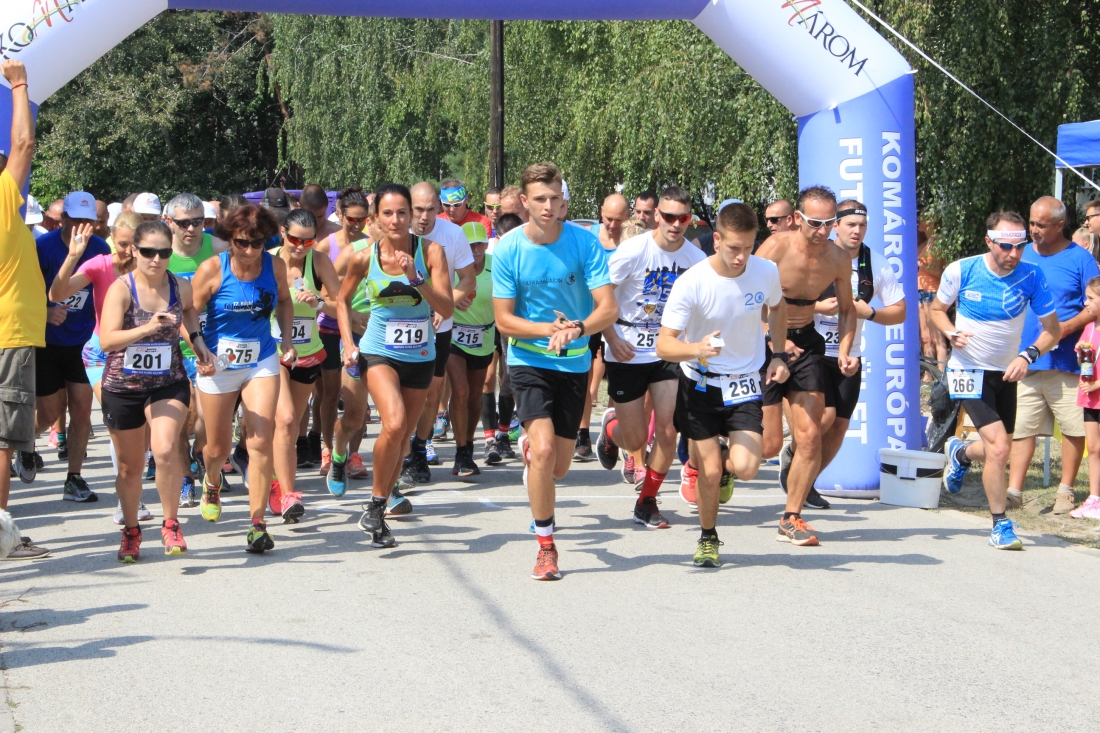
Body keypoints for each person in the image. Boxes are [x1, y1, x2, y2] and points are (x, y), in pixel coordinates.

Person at [492, 161, 617, 580]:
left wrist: (577, 329)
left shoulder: (584, 244)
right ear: (524, 201)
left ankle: (536, 458)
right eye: (539, 199)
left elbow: (608, 308)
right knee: (544, 451)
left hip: (574, 360)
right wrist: (548, 330)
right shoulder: (508, 249)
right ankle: (546, 548)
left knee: (559, 467)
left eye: (554, 198)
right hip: (528, 361)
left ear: (564, 200)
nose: (548, 206)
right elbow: (504, 321)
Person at [657, 202, 789, 567]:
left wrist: (778, 355)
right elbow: (664, 344)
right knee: (709, 471)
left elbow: (778, 307)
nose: (741, 257)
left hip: (744, 382)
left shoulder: (765, 271)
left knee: (746, 467)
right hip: (700, 384)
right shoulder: (692, 282)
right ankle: (708, 537)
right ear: (716, 240)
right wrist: (695, 349)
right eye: (733, 248)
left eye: (747, 247)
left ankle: (722, 466)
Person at [329, 183, 454, 548]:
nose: (396, 220)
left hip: (420, 356)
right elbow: (341, 300)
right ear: (376, 218)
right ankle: (371, 495)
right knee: (394, 422)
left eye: (403, 212)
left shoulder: (431, 252)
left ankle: (378, 508)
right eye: (388, 213)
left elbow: (447, 308)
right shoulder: (363, 258)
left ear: (412, 215)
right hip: (378, 351)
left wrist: (417, 279)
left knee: (401, 438)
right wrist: (348, 343)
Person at [934, 212, 1061, 550]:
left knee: (999, 446)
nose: (1013, 254)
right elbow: (935, 310)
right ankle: (999, 524)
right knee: (1000, 448)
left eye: (1020, 247)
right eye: (1006, 246)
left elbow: (1053, 330)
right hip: (966, 370)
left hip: (1006, 372)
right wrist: (951, 333)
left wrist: (1027, 356)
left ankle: (961, 454)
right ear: (989, 241)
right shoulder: (962, 270)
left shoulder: (1032, 275)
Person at [98, 221, 211, 561]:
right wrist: (147, 328)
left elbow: (189, 313)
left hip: (167, 382)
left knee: (164, 450)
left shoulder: (180, 286)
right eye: (148, 252)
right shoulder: (121, 289)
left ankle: (171, 524)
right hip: (123, 387)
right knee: (130, 468)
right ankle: (131, 531)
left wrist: (199, 343)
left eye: (163, 252)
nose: (156, 259)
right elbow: (107, 340)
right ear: (134, 250)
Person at [595, 185, 707, 528]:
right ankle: (611, 429)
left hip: (666, 349)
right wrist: (612, 338)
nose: (675, 224)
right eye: (669, 216)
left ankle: (647, 502)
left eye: (683, 218)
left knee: (668, 430)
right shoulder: (633, 250)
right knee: (636, 440)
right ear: (657, 215)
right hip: (627, 347)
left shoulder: (696, 260)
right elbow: (600, 296)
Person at [755, 186, 858, 547]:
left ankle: (791, 517)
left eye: (829, 223)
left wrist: (844, 350)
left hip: (807, 345)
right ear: (798, 219)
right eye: (815, 223)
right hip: (764, 342)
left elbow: (847, 310)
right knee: (767, 447)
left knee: (810, 436)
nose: (822, 230)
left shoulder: (838, 258)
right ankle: (718, 459)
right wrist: (773, 338)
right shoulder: (776, 247)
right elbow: (744, 299)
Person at [191, 204, 297, 553]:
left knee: (261, 440)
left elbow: (284, 301)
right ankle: (211, 481)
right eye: (242, 243)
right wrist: (200, 351)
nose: (250, 250)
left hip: (261, 359)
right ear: (229, 239)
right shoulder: (212, 269)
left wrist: (286, 339)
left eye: (258, 243)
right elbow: (188, 313)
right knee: (217, 448)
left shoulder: (275, 266)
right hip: (218, 364)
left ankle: (257, 524)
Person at [795, 200, 906, 505]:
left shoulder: (876, 263)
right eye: (851, 225)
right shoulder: (816, 256)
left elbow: (900, 312)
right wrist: (817, 307)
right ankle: (794, 461)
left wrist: (870, 313)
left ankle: (807, 483)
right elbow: (783, 300)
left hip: (850, 355)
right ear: (835, 226)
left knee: (839, 427)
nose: (857, 231)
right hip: (812, 350)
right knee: (825, 418)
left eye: (862, 225)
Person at [1005, 197, 1099, 513]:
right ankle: (1014, 491)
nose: (1033, 230)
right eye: (1031, 223)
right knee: (1022, 428)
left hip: (1067, 362)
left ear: (1060, 225)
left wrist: (1065, 328)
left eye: (1041, 225)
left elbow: (1095, 305)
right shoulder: (1020, 254)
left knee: (1073, 429)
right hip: (1025, 359)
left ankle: (1065, 491)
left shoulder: (1081, 259)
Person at [49, 210, 143, 520]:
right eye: (122, 244)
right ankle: (127, 501)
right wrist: (73, 256)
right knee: (120, 422)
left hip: (139, 355)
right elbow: (57, 293)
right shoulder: (100, 265)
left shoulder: (152, 267)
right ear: (112, 239)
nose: (128, 251)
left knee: (143, 431)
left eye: (134, 244)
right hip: (102, 354)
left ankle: (132, 490)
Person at [0, 59, 50, 559]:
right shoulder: (0, 198)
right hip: (8, 335)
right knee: (2, 440)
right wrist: (19, 85)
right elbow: (23, 144)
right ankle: (1, 538)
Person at [32, 190, 112, 502]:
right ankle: (19, 444)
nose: (82, 226)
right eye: (76, 219)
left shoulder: (100, 248)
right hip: (47, 341)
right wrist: (45, 310)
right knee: (49, 414)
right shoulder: (43, 247)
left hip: (82, 341)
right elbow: (25, 291)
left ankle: (74, 478)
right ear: (62, 219)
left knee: (81, 410)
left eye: (88, 221)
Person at [268, 209, 341, 523]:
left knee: (292, 423)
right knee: (285, 420)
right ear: (283, 232)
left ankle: (274, 477)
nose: (300, 247)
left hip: (307, 352)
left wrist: (319, 303)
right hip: (271, 352)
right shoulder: (268, 261)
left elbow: (341, 307)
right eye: (295, 239)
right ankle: (288, 494)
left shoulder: (319, 262)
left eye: (308, 241)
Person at [403, 182, 475, 484]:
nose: (424, 217)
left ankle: (419, 449)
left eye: (431, 210)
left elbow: (468, 280)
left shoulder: (453, 234)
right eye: (418, 210)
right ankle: (403, 451)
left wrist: (444, 306)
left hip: (438, 329)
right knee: (401, 396)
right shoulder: (396, 234)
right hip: (400, 327)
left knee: (431, 394)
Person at [164, 193, 227, 505]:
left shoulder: (218, 249)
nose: (191, 229)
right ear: (168, 222)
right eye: (183, 223)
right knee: (179, 419)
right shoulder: (160, 254)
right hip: (172, 348)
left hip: (211, 347)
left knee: (205, 420)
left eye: (198, 222)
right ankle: (186, 477)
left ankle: (200, 454)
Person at [313, 186, 370, 475]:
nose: (357, 225)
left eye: (362, 219)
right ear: (340, 214)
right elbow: (322, 295)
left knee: (357, 397)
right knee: (330, 394)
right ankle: (327, 448)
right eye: (352, 219)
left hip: (361, 329)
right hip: (330, 327)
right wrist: (349, 312)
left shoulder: (371, 246)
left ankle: (354, 455)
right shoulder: (326, 247)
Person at [574, 193, 632, 461]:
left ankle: (613, 429)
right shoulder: (588, 237)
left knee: (619, 375)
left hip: (624, 317)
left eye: (619, 220)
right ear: (600, 213)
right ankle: (583, 433)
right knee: (585, 375)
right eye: (608, 218)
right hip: (593, 314)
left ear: (628, 216)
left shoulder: (633, 240)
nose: (613, 225)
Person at [447, 222, 496, 476]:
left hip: (483, 337)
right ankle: (460, 451)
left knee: (476, 397)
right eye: (470, 245)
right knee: (460, 390)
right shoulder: (451, 265)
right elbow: (437, 293)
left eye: (480, 244)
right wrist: (453, 301)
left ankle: (468, 443)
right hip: (453, 336)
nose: (475, 250)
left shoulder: (495, 266)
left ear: (487, 245)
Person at [480, 212, 523, 464]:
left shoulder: (526, 255)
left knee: (509, 380)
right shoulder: (487, 254)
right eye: (504, 239)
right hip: (488, 322)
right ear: (497, 237)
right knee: (487, 379)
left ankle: (504, 434)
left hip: (511, 324)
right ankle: (489, 440)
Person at [1072, 277, 1100, 519]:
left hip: (1095, 390)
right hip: (1090, 396)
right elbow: (1084, 361)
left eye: (1091, 298)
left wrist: (1097, 384)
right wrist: (1082, 353)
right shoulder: (1090, 327)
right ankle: (1094, 498)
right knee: (1093, 447)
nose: (1085, 303)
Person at [917, 224, 948, 381]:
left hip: (932, 292)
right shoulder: (927, 243)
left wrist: (920, 264)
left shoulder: (938, 243)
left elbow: (938, 271)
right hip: (920, 291)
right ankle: (928, 375)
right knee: (925, 337)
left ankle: (941, 374)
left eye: (924, 218)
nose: (920, 221)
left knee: (937, 337)